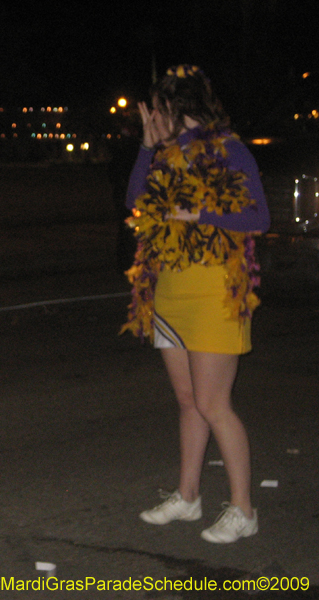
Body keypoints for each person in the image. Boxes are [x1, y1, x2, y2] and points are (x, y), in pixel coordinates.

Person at [122, 65, 270, 544]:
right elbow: (135, 202)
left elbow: (258, 217)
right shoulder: (164, 152)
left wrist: (198, 212)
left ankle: (244, 508)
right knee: (188, 401)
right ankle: (188, 497)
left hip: (214, 294)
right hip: (169, 292)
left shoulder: (228, 149)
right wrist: (147, 146)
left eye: (158, 110)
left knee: (213, 403)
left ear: (178, 109)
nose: (154, 117)